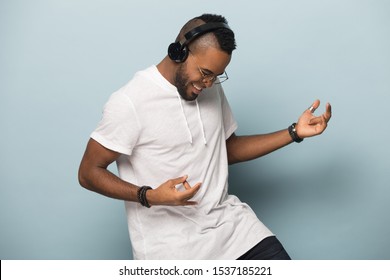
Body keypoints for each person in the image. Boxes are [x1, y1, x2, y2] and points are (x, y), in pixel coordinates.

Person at [78, 13, 332, 260]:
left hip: (234, 230)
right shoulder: (130, 102)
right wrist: (149, 195)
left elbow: (226, 150)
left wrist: (294, 132)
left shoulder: (207, 89)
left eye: (217, 75)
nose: (209, 83)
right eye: (205, 73)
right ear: (179, 52)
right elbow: (89, 172)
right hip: (173, 250)